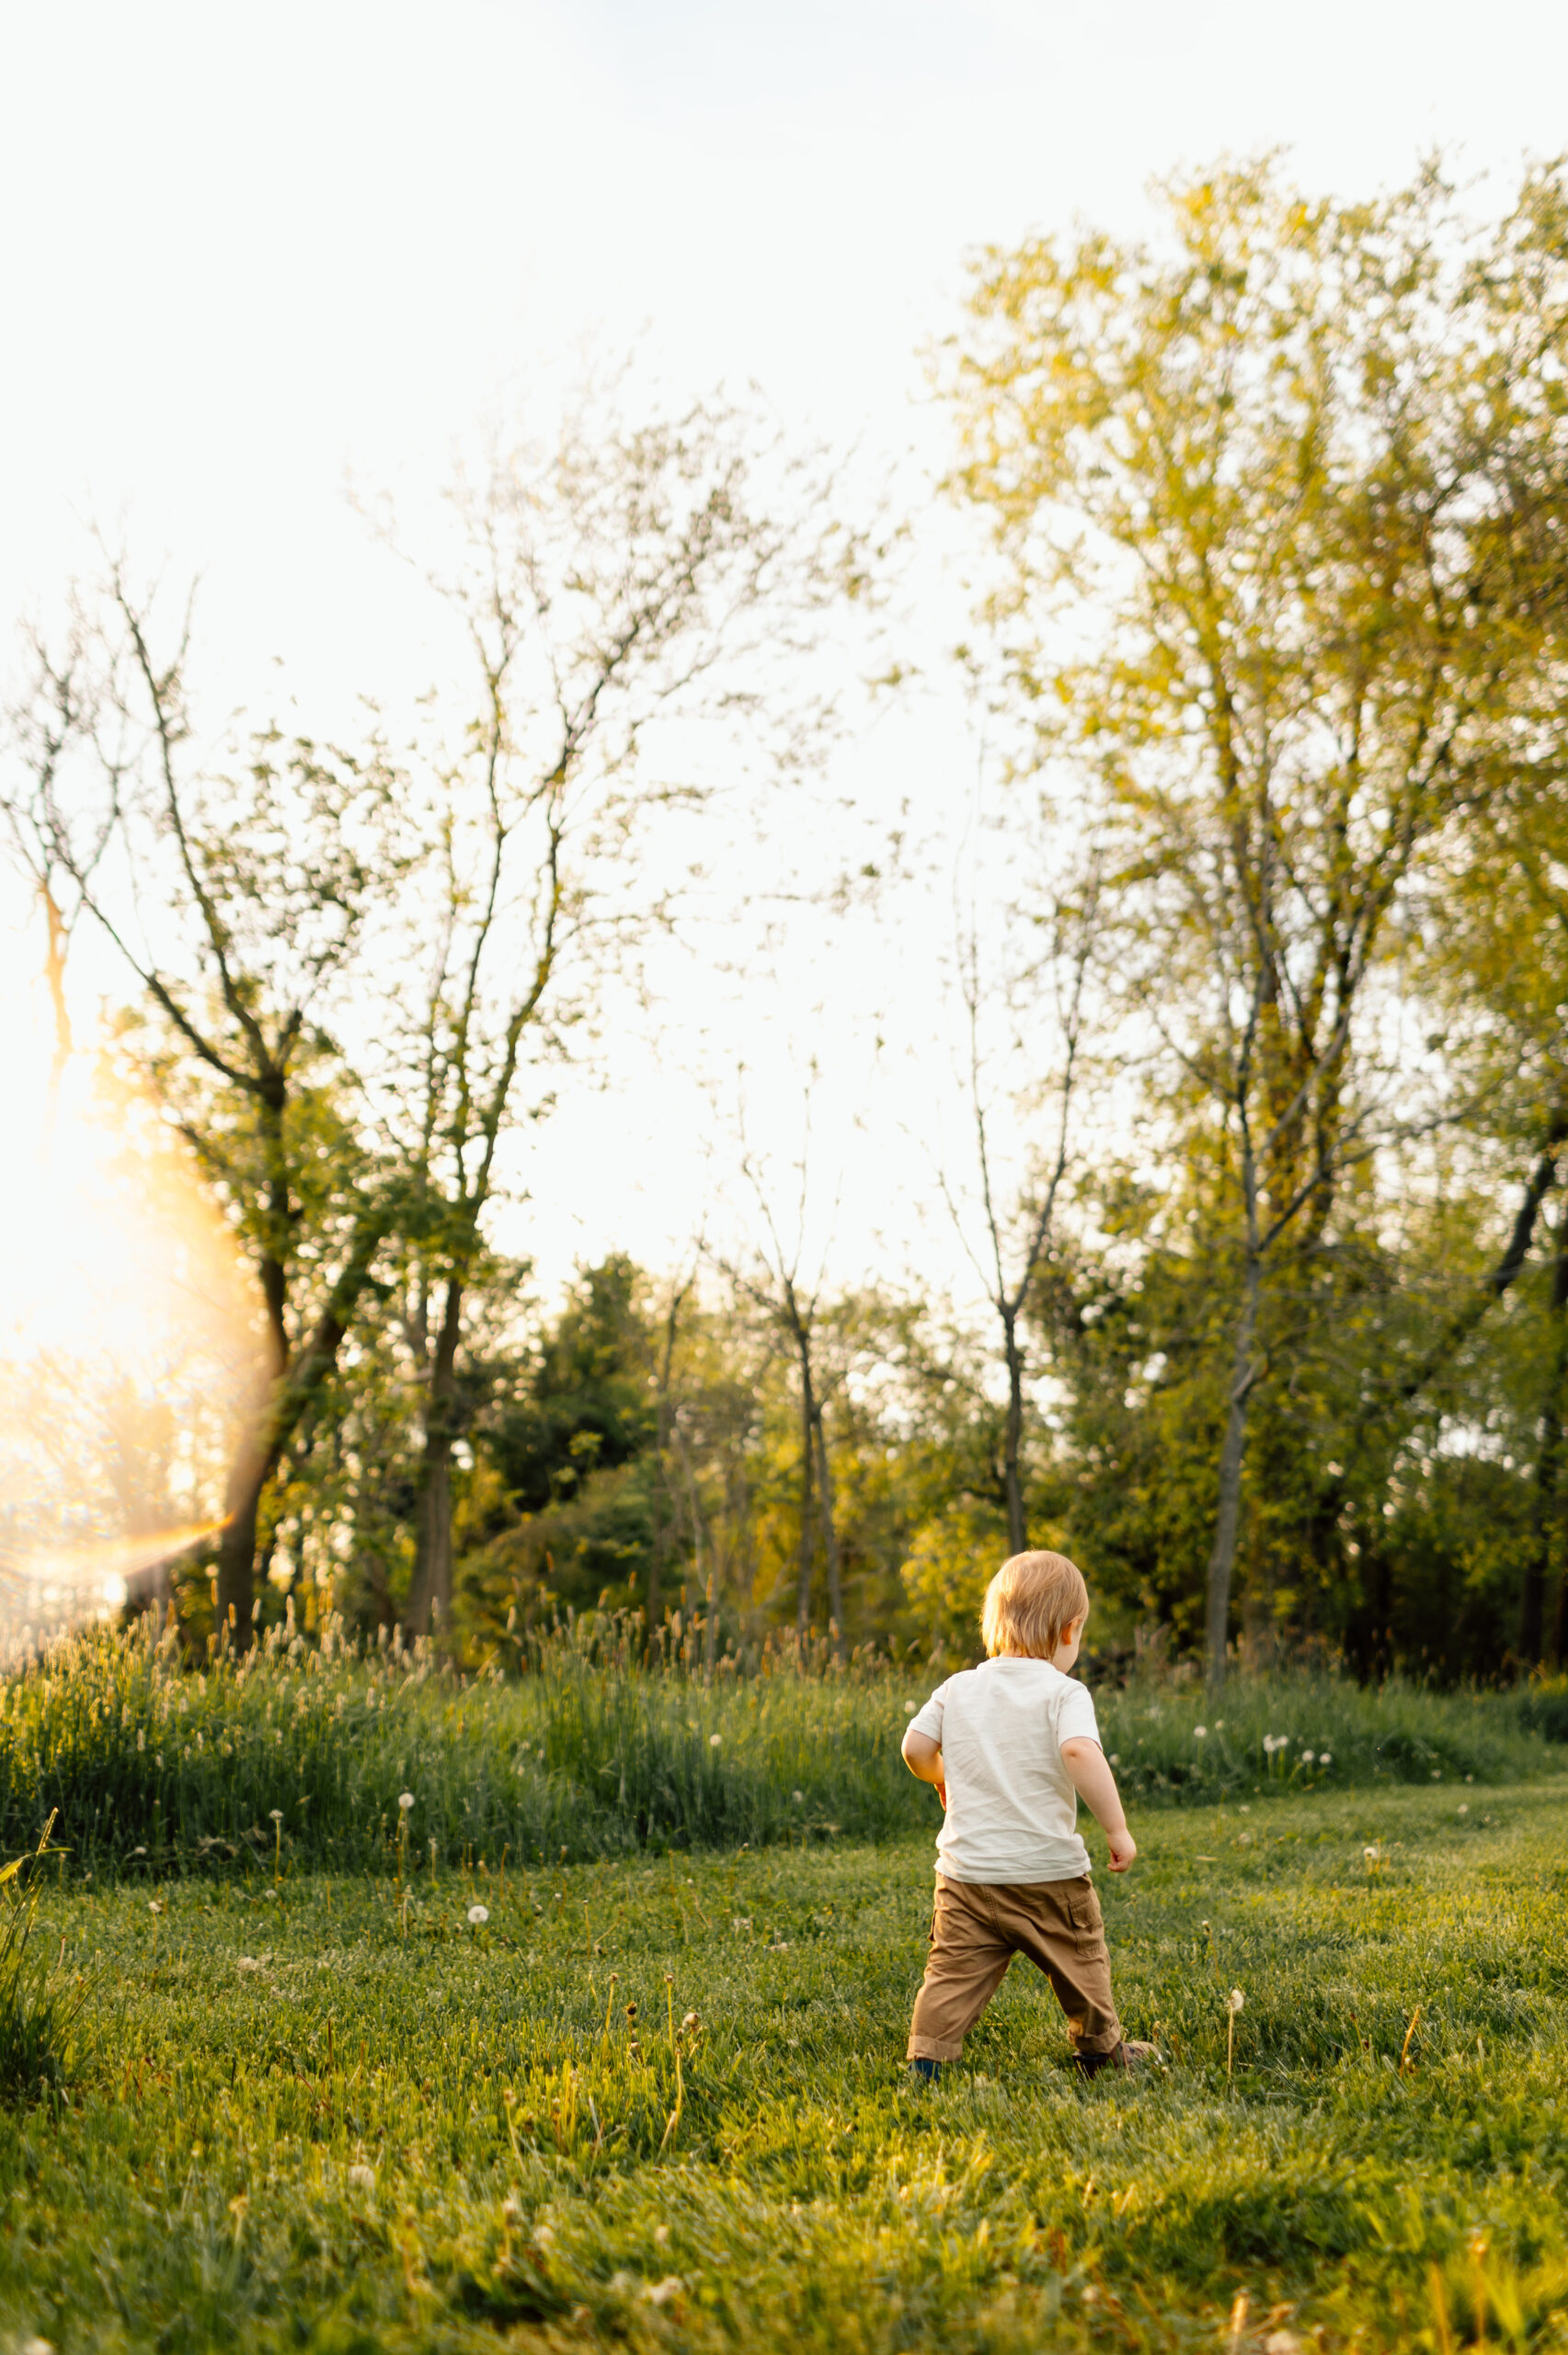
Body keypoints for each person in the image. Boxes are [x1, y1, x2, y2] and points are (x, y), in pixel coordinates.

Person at [900, 1547, 1157, 2082]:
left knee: (949, 1972)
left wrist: (941, 1776)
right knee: (1082, 1964)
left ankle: (928, 2059)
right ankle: (1098, 2051)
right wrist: (1117, 1829)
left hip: (966, 1878)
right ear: (1070, 1630)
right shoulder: (1064, 1692)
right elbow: (1080, 1753)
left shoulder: (957, 1688)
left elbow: (915, 1748)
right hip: (1048, 1878)